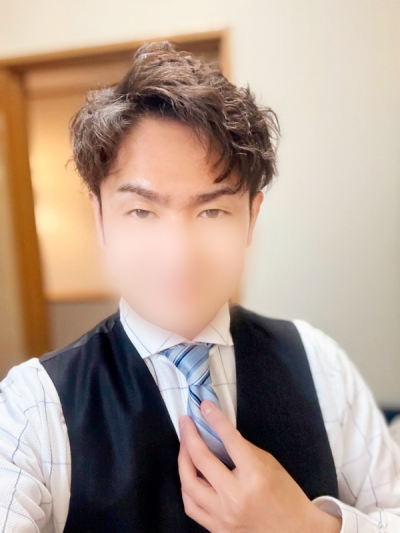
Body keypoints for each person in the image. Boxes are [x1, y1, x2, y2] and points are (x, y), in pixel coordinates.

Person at [0, 40, 399, 533]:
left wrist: (308, 526)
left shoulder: (321, 364)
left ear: (251, 217)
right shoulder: (33, 407)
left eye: (212, 211)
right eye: (141, 211)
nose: (179, 254)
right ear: (100, 218)